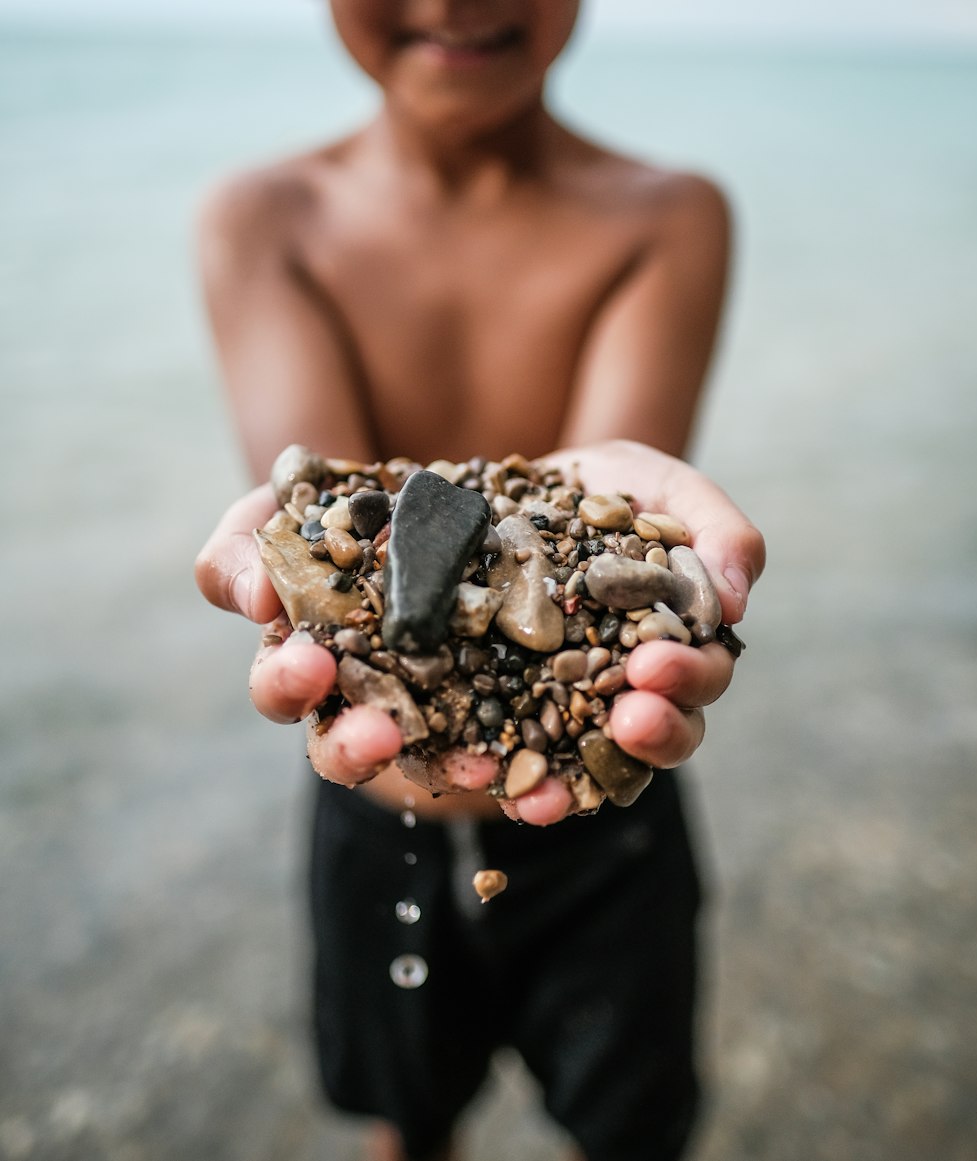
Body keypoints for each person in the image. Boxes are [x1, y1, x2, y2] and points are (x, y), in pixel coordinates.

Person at [194, 3, 765, 1159]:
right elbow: (313, 534)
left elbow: (607, 557)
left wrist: (605, 583)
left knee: (630, 1129)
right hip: (373, 801)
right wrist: (310, 590)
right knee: (405, 1124)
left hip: (605, 810)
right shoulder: (265, 221)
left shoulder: (666, 216)